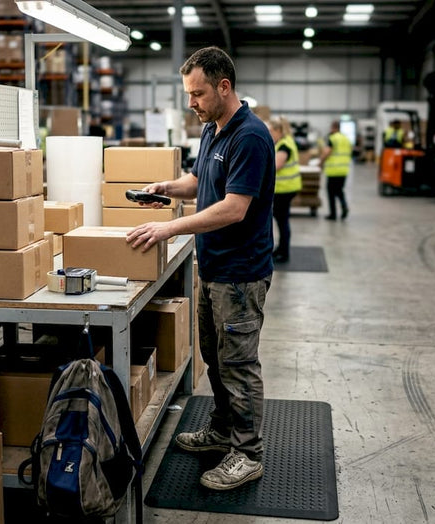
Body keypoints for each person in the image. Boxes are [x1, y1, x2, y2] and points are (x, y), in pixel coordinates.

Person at [126, 46, 274, 491]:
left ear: (223, 86)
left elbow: (233, 207)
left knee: (238, 364)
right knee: (214, 357)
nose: (192, 102)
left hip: (241, 273)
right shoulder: (213, 129)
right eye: (189, 93)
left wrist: (169, 228)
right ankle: (224, 430)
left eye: (198, 93)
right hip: (213, 268)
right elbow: (200, 182)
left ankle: (247, 454)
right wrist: (166, 188)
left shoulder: (249, 136)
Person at [267, 116, 301, 262]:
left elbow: (276, 165)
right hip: (286, 188)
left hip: (285, 189)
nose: (270, 134)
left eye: (271, 131)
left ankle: (283, 252)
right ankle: (281, 249)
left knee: (282, 220)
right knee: (281, 219)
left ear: (279, 130)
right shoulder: (285, 142)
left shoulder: (284, 145)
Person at [320, 121, 351, 220]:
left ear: (333, 127)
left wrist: (320, 162)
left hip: (333, 170)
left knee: (331, 193)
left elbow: (327, 152)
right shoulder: (346, 139)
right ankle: (344, 206)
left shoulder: (332, 138)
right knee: (339, 190)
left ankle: (333, 214)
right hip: (344, 169)